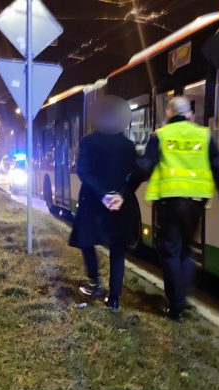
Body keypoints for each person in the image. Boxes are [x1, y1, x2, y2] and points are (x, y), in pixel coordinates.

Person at [137, 97, 219, 320]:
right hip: (195, 205)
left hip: (169, 203)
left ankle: (176, 307)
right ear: (190, 114)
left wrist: (128, 178)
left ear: (169, 113)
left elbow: (145, 166)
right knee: (186, 251)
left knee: (170, 253)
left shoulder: (160, 135)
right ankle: (183, 296)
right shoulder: (204, 135)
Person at [68, 96, 141, 310]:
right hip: (121, 205)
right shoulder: (128, 145)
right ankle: (114, 298)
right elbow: (135, 173)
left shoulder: (88, 142)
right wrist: (121, 194)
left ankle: (95, 283)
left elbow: (83, 171)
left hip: (92, 201)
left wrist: (102, 195)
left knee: (85, 240)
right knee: (118, 249)